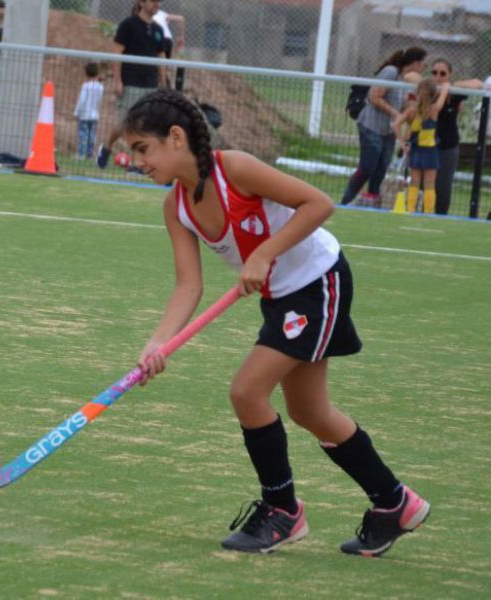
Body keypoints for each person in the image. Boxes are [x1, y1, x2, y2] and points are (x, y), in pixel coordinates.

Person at [123, 88, 430, 556]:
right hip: (281, 297)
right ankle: (395, 503)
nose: (137, 160)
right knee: (310, 412)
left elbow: (318, 204)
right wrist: (157, 344)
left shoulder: (235, 168)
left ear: (176, 137)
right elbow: (188, 285)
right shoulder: (177, 206)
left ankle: (282, 510)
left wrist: (265, 252)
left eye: (142, 148)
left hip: (317, 282)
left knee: (247, 391)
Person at [340, 47, 427, 207]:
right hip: (371, 125)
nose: (424, 69)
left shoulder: (407, 82)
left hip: (388, 130)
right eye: (424, 65)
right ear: (416, 63)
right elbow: (374, 96)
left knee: (381, 168)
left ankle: (372, 198)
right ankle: (345, 200)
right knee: (368, 166)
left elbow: (406, 106)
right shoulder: (391, 72)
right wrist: (396, 114)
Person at [96, 0, 166, 169]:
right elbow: (117, 53)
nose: (157, 4)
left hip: (150, 85)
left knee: (145, 127)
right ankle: (106, 147)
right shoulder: (128, 25)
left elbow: (161, 58)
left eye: (159, 1)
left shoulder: (158, 29)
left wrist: (163, 83)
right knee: (123, 124)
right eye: (153, 1)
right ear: (142, 2)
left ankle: (137, 162)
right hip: (130, 83)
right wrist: (118, 81)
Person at [428, 59, 488, 215]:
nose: (438, 76)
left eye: (442, 74)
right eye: (434, 72)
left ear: (449, 75)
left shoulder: (453, 94)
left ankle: (440, 216)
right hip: (425, 145)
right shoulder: (426, 90)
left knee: (443, 187)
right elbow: (410, 76)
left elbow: (477, 83)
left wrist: (451, 86)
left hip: (448, 146)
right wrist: (434, 86)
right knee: (425, 186)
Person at [392, 79, 450, 214]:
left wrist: (402, 142)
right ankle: (428, 212)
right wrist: (446, 86)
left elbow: (395, 125)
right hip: (430, 150)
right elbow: (443, 96)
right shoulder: (434, 109)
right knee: (429, 184)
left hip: (416, 150)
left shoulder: (411, 110)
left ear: (417, 92)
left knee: (415, 182)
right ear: (433, 94)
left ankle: (411, 209)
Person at [74, 63, 104, 160]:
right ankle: (90, 154)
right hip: (94, 115)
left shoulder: (85, 86)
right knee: (92, 136)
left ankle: (81, 154)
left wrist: (77, 112)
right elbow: (99, 100)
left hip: (84, 115)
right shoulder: (100, 87)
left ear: (86, 73)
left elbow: (82, 100)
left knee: (83, 135)